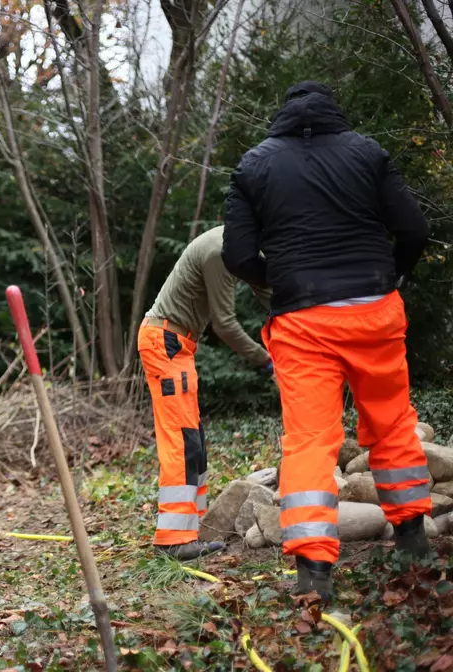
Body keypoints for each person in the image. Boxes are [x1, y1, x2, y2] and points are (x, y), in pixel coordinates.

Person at [222, 81, 431, 601]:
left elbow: (238, 256)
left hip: (303, 323)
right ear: (333, 113)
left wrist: (281, 280)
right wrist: (392, 275)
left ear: (283, 115)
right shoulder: (367, 153)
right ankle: (412, 541)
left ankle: (314, 576)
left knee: (311, 440)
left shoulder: (253, 166)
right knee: (393, 423)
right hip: (376, 313)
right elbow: (414, 230)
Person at [138, 225, 274, 560]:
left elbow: (265, 287)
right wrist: (267, 360)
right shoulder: (220, 251)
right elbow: (224, 324)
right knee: (182, 441)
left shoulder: (244, 248)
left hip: (180, 345)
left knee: (194, 439)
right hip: (164, 342)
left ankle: (191, 530)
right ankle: (174, 540)